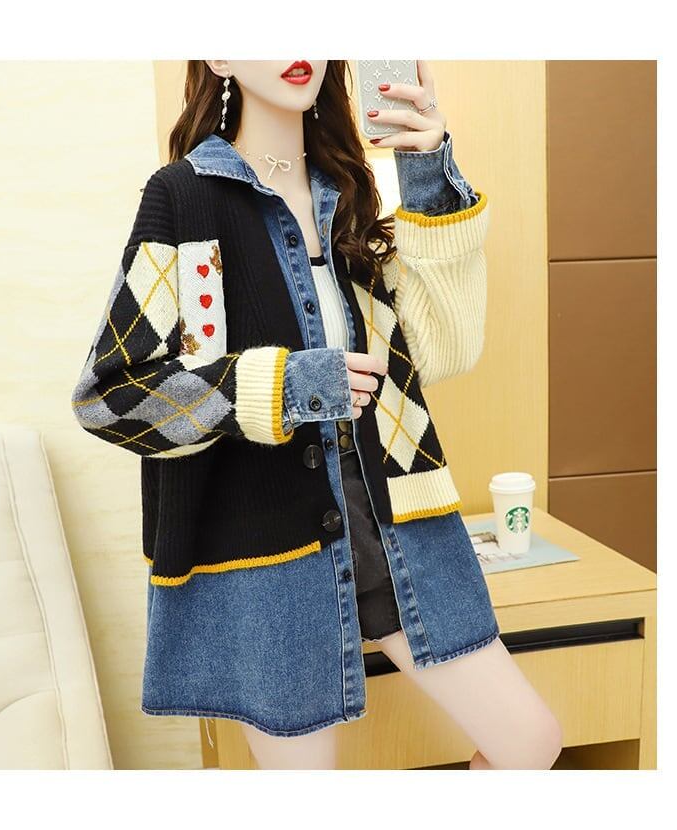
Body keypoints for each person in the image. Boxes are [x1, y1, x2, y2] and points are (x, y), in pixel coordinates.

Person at [70, 60, 562, 770]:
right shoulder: (184, 197)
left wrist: (427, 174)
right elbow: (111, 394)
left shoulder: (347, 191)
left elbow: (439, 353)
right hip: (267, 543)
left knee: (530, 743)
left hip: (396, 517)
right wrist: (286, 386)